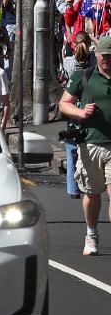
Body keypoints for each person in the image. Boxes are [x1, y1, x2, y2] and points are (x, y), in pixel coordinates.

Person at [59, 33, 111, 257]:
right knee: (92, 194)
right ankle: (91, 233)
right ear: (96, 54)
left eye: (110, 56)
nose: (106, 60)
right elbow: (64, 104)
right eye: (103, 55)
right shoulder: (84, 77)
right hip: (91, 144)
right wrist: (81, 112)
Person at [63, 32, 93, 200]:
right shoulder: (94, 61)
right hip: (89, 104)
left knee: (72, 146)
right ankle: (90, 183)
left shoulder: (68, 61)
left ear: (74, 44)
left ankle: (73, 188)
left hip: (72, 105)